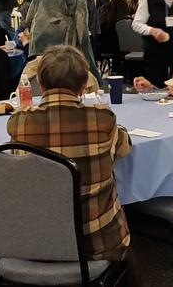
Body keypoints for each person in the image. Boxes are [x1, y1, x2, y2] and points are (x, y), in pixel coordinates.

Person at [7, 45, 132, 262]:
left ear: (41, 85)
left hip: (38, 243)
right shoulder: (102, 118)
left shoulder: (20, 122)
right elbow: (124, 148)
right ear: (84, 87)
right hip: (98, 241)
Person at [23, 0, 101, 83]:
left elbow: (29, 19)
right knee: (67, 81)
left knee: (44, 81)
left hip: (39, 47)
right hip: (65, 47)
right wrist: (89, 61)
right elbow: (81, 28)